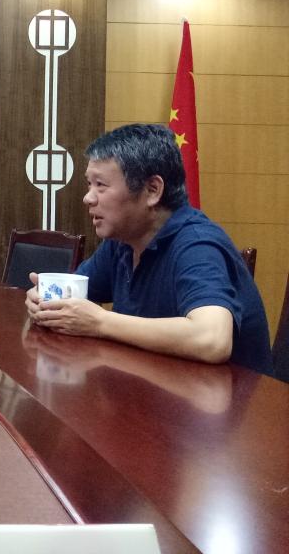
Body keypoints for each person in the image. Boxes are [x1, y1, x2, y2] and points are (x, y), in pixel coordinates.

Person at [25, 123, 273, 375]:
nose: (88, 198)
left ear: (152, 190)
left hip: (222, 396)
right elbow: (75, 299)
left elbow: (212, 340)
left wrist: (100, 322)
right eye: (89, 184)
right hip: (153, 385)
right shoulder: (121, 241)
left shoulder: (197, 245)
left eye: (100, 185)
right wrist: (44, 302)